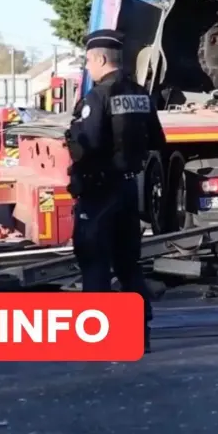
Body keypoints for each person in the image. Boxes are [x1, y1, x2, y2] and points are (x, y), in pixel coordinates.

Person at [67, 29, 166, 353]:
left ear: (99, 59)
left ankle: (97, 336)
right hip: (128, 190)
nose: (88, 68)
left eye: (88, 62)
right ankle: (140, 333)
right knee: (128, 264)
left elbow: (88, 145)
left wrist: (73, 143)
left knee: (94, 262)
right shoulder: (140, 94)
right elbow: (157, 140)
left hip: (98, 192)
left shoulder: (97, 98)